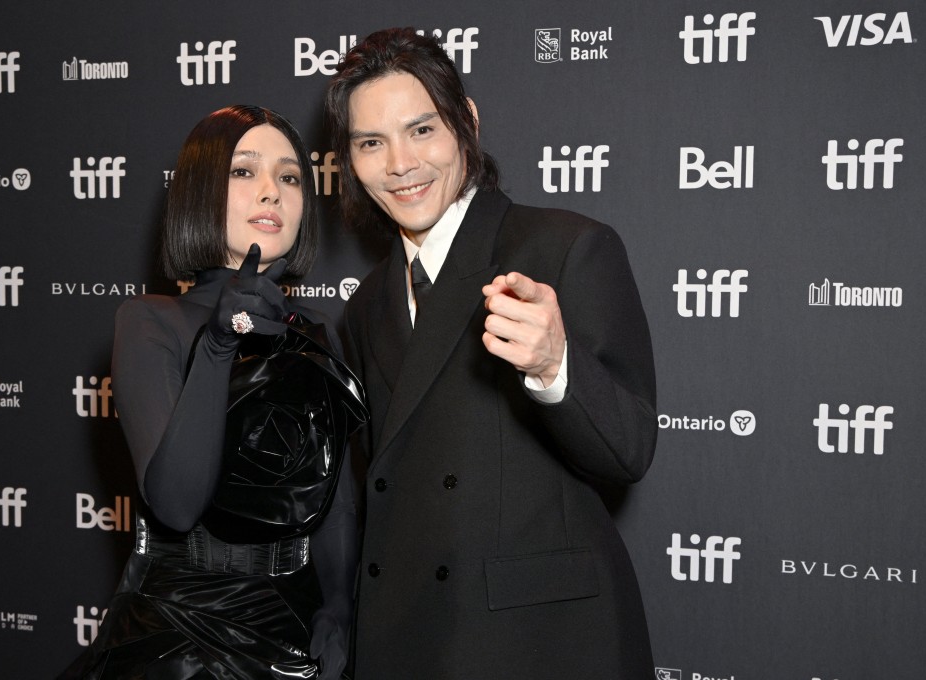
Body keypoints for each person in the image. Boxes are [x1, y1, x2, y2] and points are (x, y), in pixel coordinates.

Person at [325, 28, 658, 678]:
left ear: (466, 123)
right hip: (410, 639)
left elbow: (630, 449)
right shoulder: (365, 305)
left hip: (537, 643)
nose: (399, 163)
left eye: (422, 130)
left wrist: (554, 366)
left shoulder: (565, 248)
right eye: (371, 143)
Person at [60, 105, 364, 680]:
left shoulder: (318, 333)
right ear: (201, 191)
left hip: (294, 619)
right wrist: (220, 346)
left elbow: (335, 502)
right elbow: (175, 503)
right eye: (244, 172)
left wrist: (339, 607)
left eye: (290, 176)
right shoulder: (152, 321)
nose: (271, 192)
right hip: (182, 630)